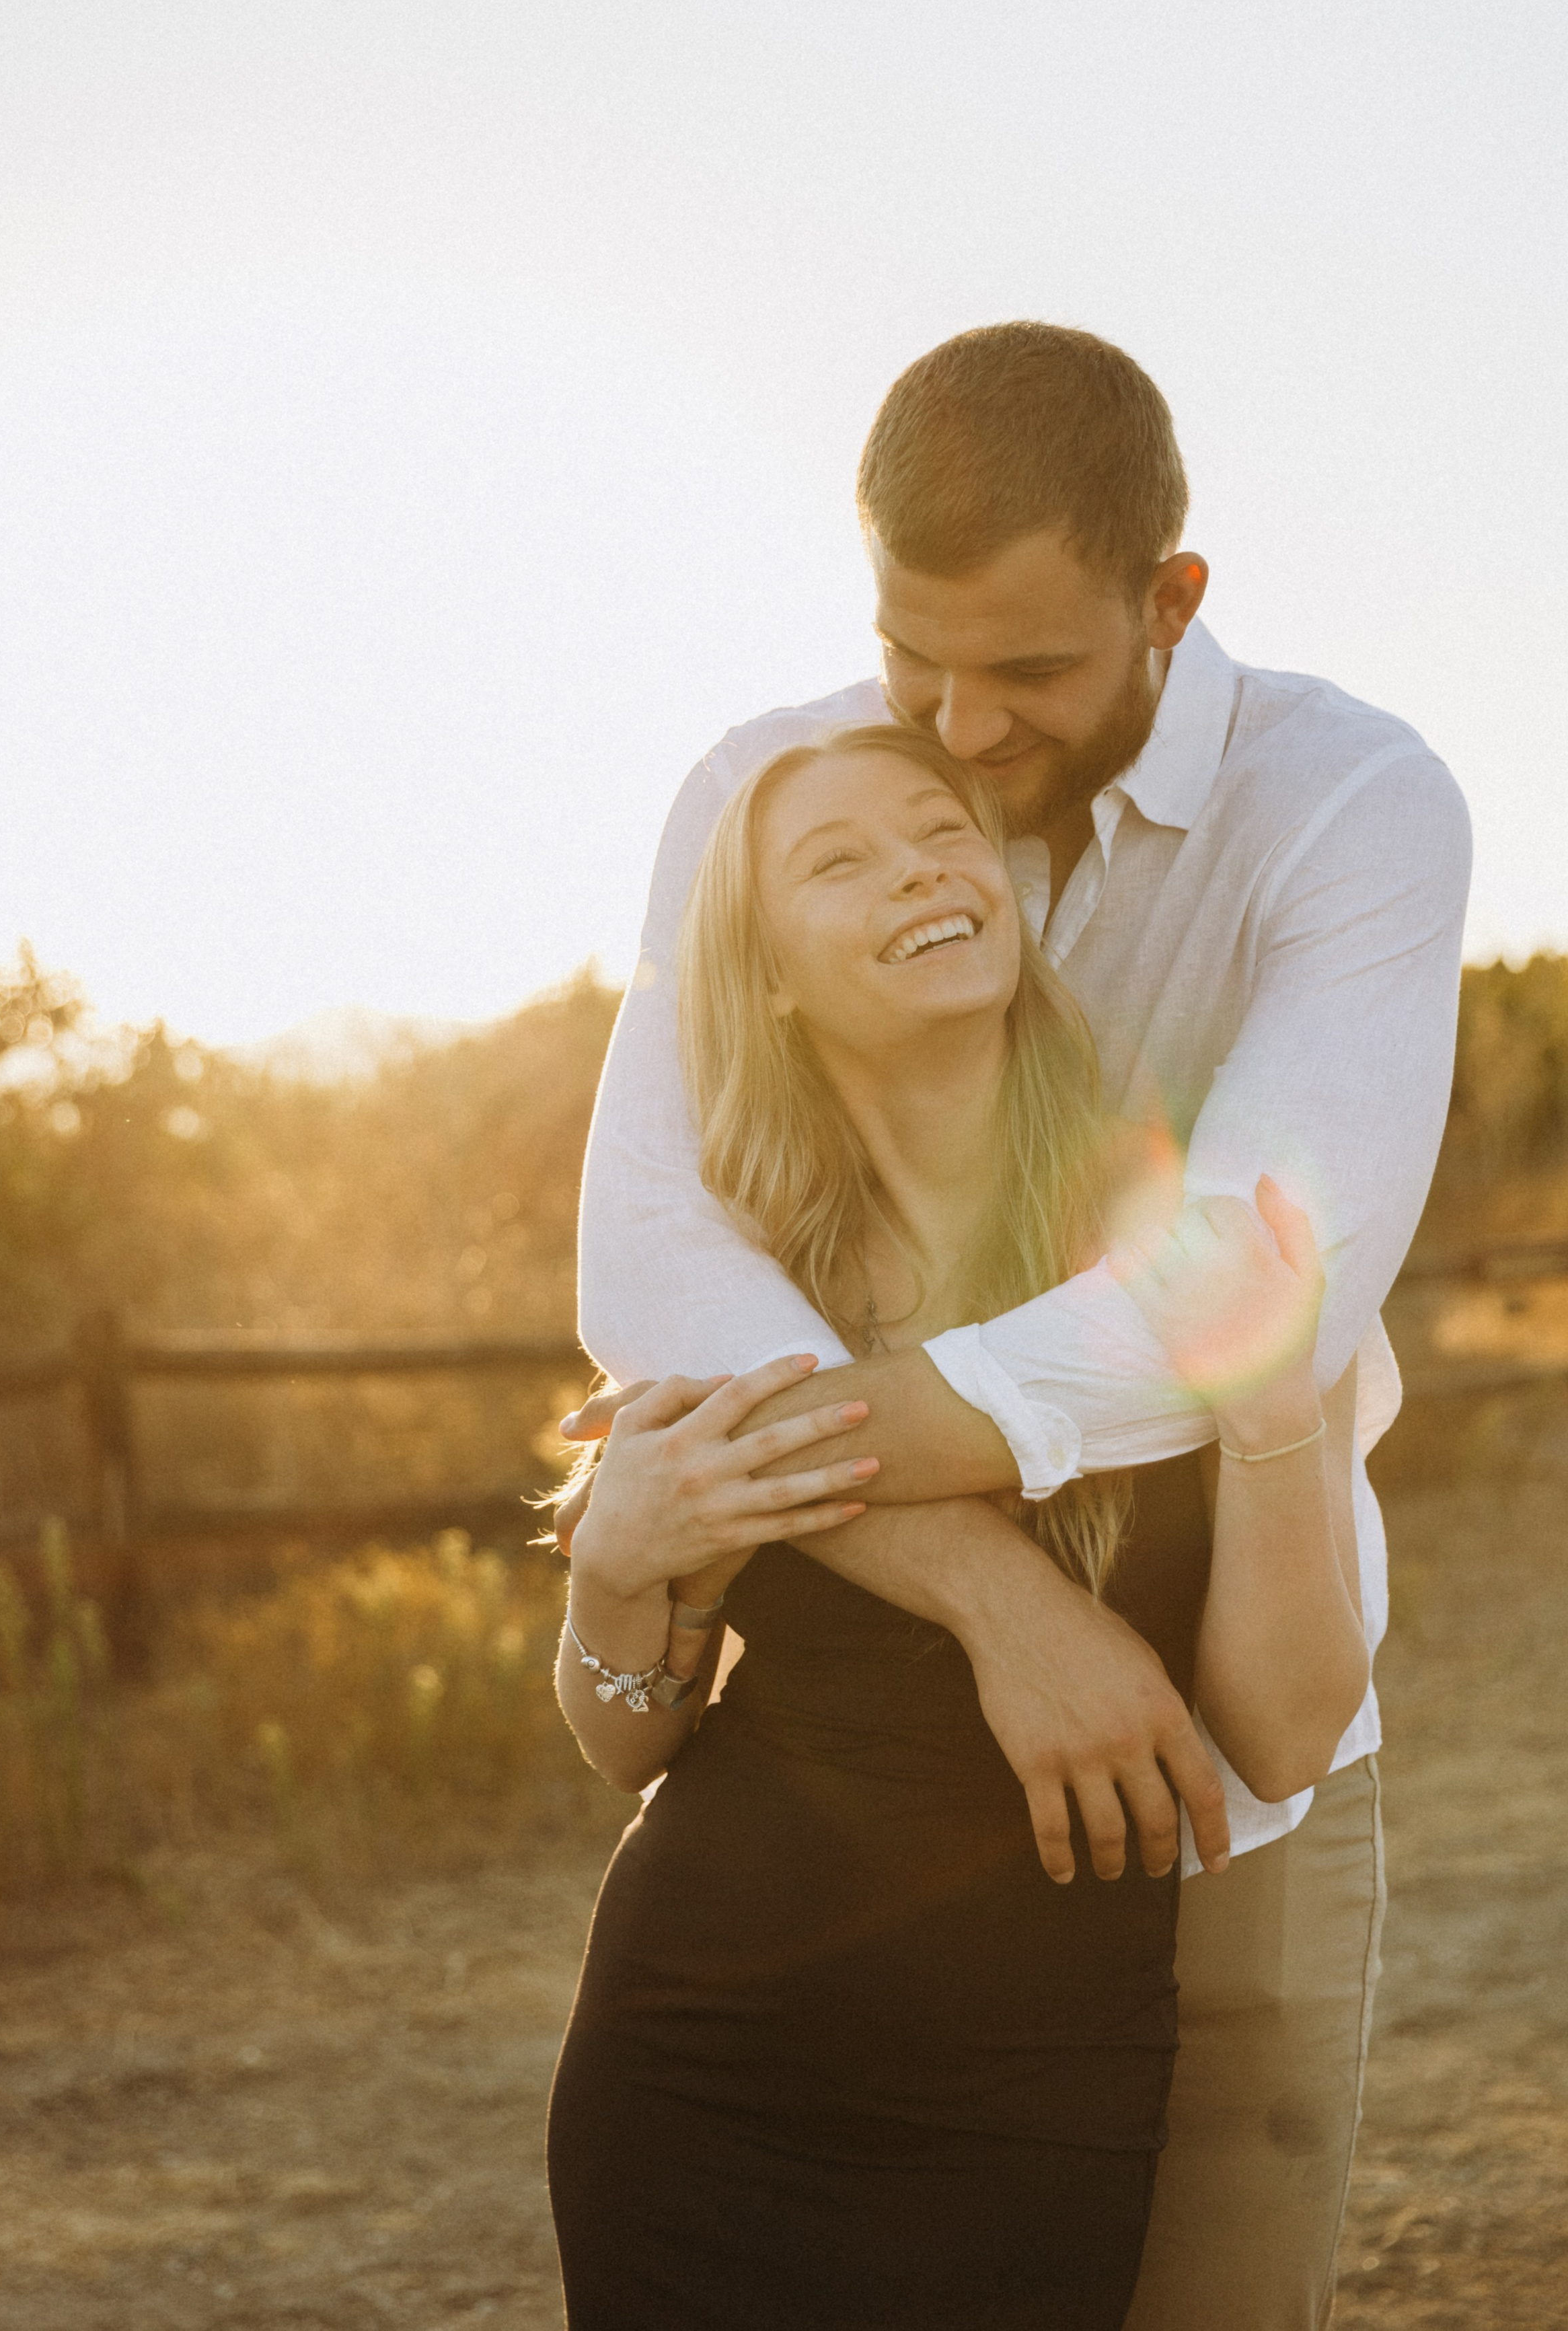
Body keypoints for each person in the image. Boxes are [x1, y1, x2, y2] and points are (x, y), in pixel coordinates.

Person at [559, 325, 1471, 2328]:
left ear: (1172, 600)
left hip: (1217, 1772)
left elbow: (1250, 1268)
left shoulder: (1355, 809)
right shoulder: (761, 783)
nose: (958, 735)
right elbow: (653, 1266)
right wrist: (1000, 1597)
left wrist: (793, 1457)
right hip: (801, 1905)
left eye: (1031, 672)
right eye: (913, 658)